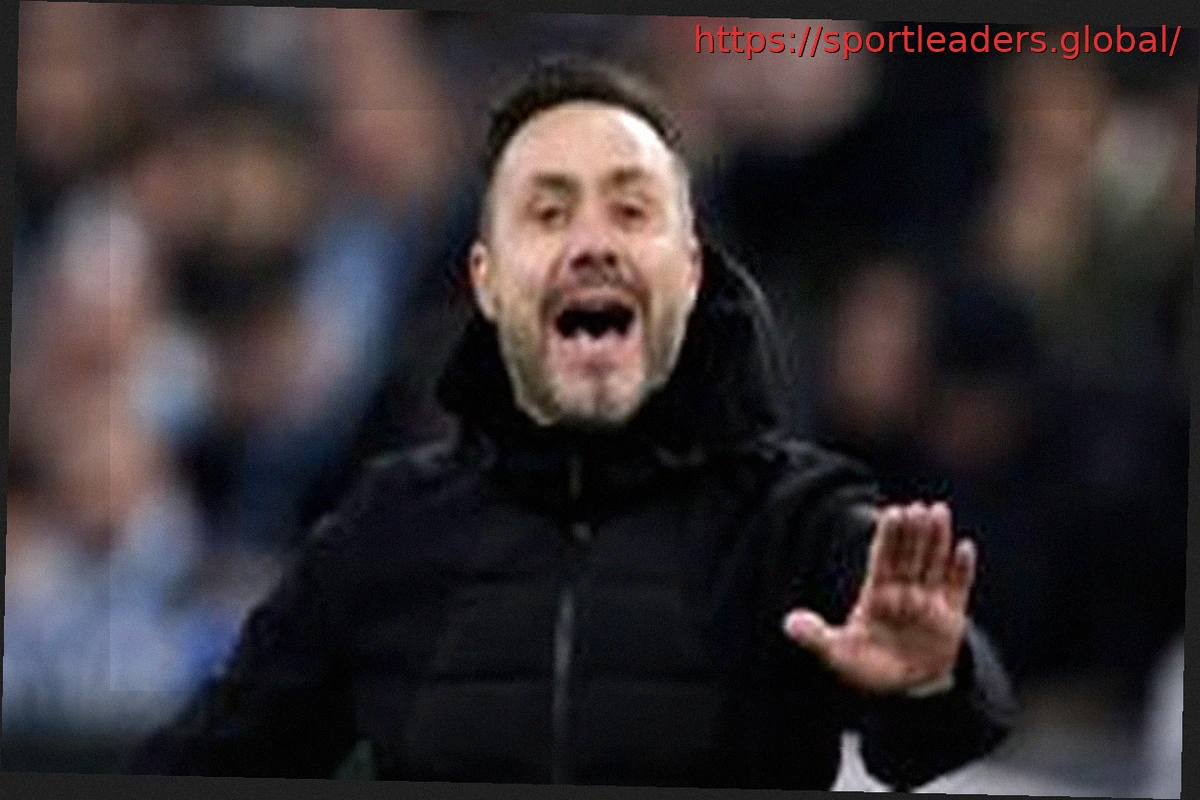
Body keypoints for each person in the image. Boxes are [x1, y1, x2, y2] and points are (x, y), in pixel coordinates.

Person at [127, 59, 1015, 789]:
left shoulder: (794, 519)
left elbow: (943, 733)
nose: (592, 243)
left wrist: (930, 680)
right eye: (548, 213)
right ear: (486, 280)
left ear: (690, 272)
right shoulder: (386, 529)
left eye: (631, 210)